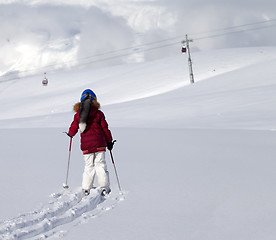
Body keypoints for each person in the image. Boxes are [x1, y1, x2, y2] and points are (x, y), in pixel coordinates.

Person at [67, 89, 114, 196]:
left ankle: (86, 188)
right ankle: (104, 187)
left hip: (86, 146)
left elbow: (74, 127)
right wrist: (109, 142)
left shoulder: (78, 115)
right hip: (99, 145)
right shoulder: (99, 114)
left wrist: (70, 134)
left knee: (88, 166)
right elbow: (105, 129)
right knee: (100, 165)